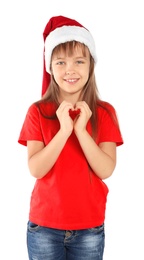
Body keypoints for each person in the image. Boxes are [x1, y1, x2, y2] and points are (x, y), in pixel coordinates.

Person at [18, 15, 123, 260]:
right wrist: (64, 131)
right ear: (50, 68)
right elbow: (36, 168)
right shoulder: (37, 112)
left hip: (89, 227)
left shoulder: (104, 112)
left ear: (91, 66)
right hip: (44, 227)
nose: (70, 70)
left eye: (79, 61)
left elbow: (106, 169)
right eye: (61, 62)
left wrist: (81, 131)